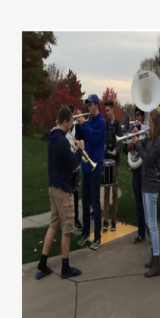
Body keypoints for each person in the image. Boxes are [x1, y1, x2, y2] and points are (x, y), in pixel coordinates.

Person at [35, 106, 84, 280]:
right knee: (67, 228)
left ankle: (42, 262)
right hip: (63, 188)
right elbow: (71, 164)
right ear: (64, 122)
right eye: (71, 122)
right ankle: (65, 267)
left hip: (53, 186)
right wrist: (79, 149)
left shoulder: (53, 137)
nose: (72, 125)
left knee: (54, 224)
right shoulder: (62, 141)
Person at [134, 109, 160, 277]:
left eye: (151, 123)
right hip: (146, 183)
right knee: (148, 221)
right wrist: (136, 137)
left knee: (152, 225)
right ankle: (154, 256)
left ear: (156, 124)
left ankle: (157, 261)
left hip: (152, 184)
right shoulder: (151, 139)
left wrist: (138, 143)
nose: (149, 126)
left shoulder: (159, 141)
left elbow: (146, 158)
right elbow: (142, 145)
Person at [75, 94, 106, 250]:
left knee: (95, 203)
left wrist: (85, 124)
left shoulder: (101, 122)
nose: (88, 107)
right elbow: (81, 137)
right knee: (85, 202)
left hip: (96, 167)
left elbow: (93, 138)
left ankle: (98, 237)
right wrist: (78, 124)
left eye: (90, 105)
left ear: (96, 105)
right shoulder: (90, 121)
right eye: (87, 105)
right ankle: (86, 232)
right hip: (86, 166)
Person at [126, 109, 147, 244]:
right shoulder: (133, 129)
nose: (137, 117)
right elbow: (128, 148)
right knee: (139, 204)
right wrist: (134, 141)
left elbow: (147, 146)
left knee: (147, 204)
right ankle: (141, 234)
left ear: (143, 116)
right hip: (136, 171)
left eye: (139, 115)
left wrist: (138, 141)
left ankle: (150, 232)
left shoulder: (146, 130)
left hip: (145, 171)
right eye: (136, 115)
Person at [102, 101, 123, 232]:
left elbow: (121, 142)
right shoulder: (104, 124)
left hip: (115, 161)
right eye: (106, 111)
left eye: (108, 110)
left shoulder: (117, 125)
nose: (107, 113)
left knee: (114, 191)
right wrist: (104, 146)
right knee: (106, 191)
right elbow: (102, 139)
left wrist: (116, 150)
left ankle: (113, 221)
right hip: (106, 160)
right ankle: (105, 220)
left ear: (113, 110)